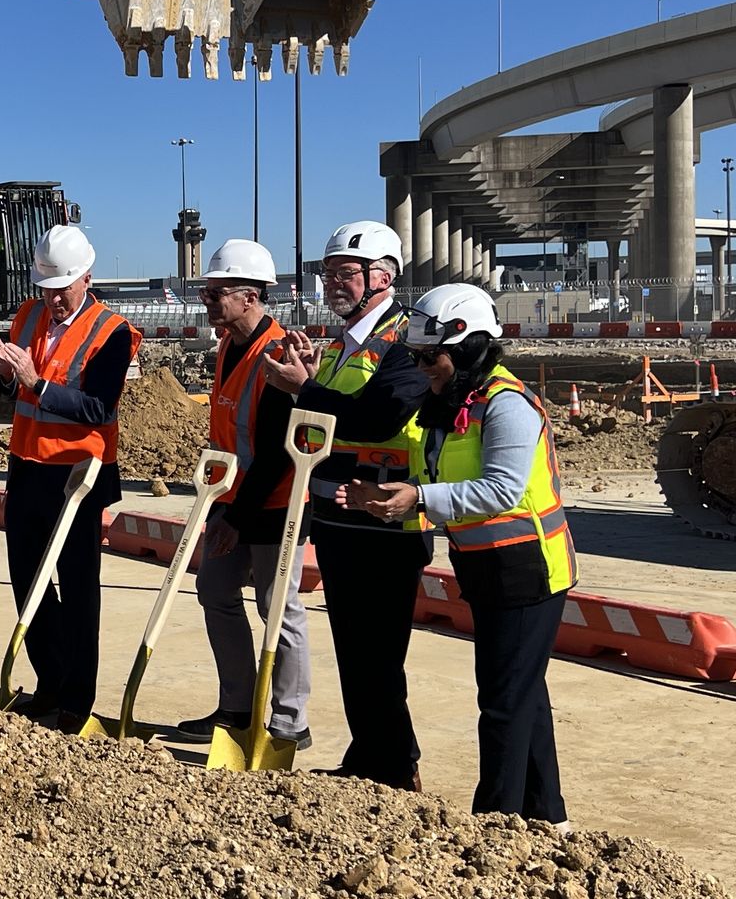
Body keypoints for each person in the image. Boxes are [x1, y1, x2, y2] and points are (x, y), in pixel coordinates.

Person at [337, 282, 577, 827]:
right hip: (485, 569)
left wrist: (418, 498)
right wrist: (392, 504)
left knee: (501, 704)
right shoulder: (446, 407)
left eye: (431, 356)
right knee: (522, 695)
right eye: (417, 357)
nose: (423, 367)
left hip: (528, 570)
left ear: (469, 346)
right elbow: (439, 483)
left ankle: (495, 823)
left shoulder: (507, 404)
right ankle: (547, 816)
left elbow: (501, 490)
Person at [259, 220, 431, 791]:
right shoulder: (338, 346)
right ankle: (370, 758)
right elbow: (318, 427)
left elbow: (379, 417)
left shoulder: (406, 342)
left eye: (345, 273)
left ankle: (396, 767)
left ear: (384, 276)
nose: (333, 283)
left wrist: (302, 388)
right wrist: (308, 384)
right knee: (355, 651)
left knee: (381, 654)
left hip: (387, 517)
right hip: (338, 516)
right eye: (328, 273)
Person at [0, 225, 141, 733]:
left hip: (78, 477)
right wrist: (6, 377)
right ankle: (49, 679)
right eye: (45, 288)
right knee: (27, 579)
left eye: (62, 289)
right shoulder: (28, 316)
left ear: (86, 279)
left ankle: (77, 698)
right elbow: (18, 392)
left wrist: (34, 381)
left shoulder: (112, 331)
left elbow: (96, 406)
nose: (52, 299)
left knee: (77, 589)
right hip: (27, 466)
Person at [176, 239, 313, 751]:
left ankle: (288, 722)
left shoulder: (278, 353)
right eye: (207, 292)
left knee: (280, 609)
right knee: (215, 591)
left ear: (251, 296)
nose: (207, 301)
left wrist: (238, 516)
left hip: (274, 505)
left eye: (217, 293)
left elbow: (279, 450)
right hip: (230, 500)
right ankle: (236, 706)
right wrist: (221, 503)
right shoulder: (228, 344)